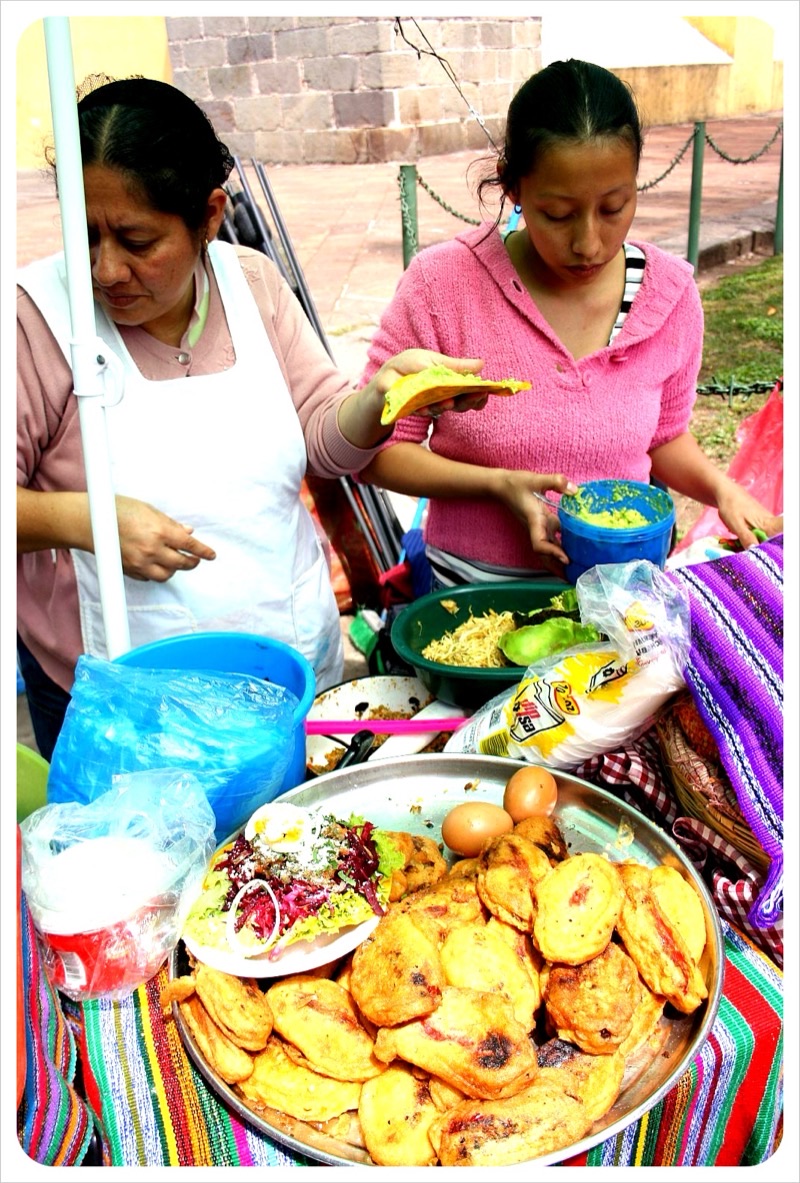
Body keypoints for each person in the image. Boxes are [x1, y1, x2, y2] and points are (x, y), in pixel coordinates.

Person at [17, 76, 481, 760]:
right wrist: (86, 520)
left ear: (209, 215)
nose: (106, 268)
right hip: (118, 703)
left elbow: (324, 437)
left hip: (281, 673)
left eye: (137, 241)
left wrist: (381, 399)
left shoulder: (252, 284)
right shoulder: (36, 320)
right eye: (84, 234)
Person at [358, 59, 782, 589]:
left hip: (619, 593)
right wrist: (497, 485)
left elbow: (664, 437)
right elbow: (379, 452)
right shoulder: (441, 286)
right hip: (470, 595)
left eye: (613, 207)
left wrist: (722, 491)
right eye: (557, 214)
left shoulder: (670, 296)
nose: (588, 243)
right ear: (513, 188)